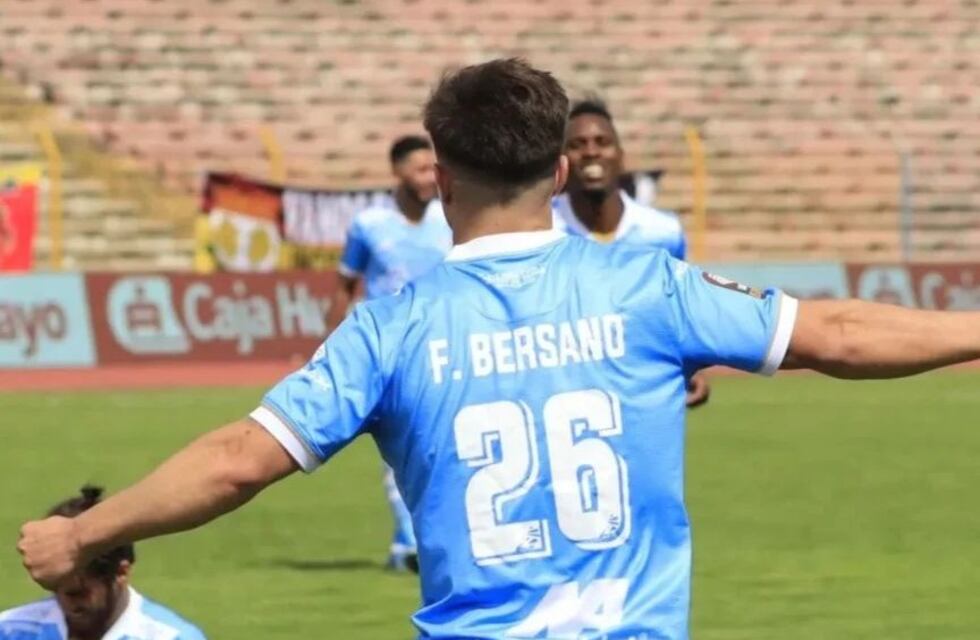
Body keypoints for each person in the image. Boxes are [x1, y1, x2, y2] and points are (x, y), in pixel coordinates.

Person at [16, 58, 980, 640]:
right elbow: (841, 336)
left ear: (439, 178)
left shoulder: (391, 328)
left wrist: (83, 535)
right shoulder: (647, 285)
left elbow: (235, 465)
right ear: (560, 169)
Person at [328, 134, 452, 572]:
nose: (427, 178)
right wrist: (335, 345)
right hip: (389, 351)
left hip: (444, 347)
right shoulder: (369, 224)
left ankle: (424, 542)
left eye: (431, 168)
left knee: (443, 447)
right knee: (397, 449)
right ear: (398, 171)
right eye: (419, 169)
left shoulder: (449, 217)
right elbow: (345, 284)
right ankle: (409, 544)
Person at [554, 97, 710, 407]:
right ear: (561, 163)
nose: (591, 151)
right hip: (566, 394)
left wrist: (691, 366)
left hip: (641, 395)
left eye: (602, 142)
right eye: (577, 144)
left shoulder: (662, 231)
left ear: (621, 156)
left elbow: (674, 312)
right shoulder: (543, 228)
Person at [2, 486, 205, 640]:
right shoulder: (10, 631)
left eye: (78, 593)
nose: (67, 605)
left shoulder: (171, 637)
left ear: (122, 572)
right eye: (57, 591)